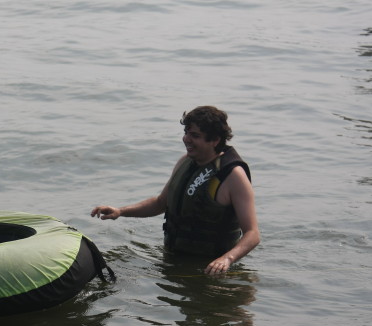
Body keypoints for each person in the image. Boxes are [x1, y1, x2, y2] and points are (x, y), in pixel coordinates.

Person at [91, 106, 260, 275]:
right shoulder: (184, 163)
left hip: (211, 268)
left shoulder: (233, 175)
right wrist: (120, 211)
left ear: (215, 140)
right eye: (186, 132)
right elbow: (160, 203)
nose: (186, 139)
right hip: (173, 258)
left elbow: (252, 234)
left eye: (195, 135)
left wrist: (227, 259)